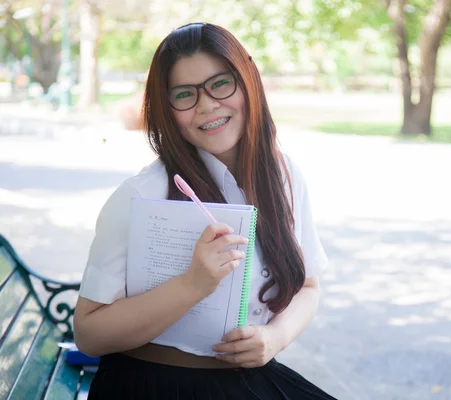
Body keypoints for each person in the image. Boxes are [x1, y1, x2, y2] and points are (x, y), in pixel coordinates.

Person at [73, 22, 336, 400]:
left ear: (247, 81)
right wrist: (191, 285)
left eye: (220, 83)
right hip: (153, 385)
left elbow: (309, 287)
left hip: (247, 379)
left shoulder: (284, 175)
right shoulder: (140, 195)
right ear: (166, 109)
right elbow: (89, 334)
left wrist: (275, 337)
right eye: (184, 94)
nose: (207, 105)